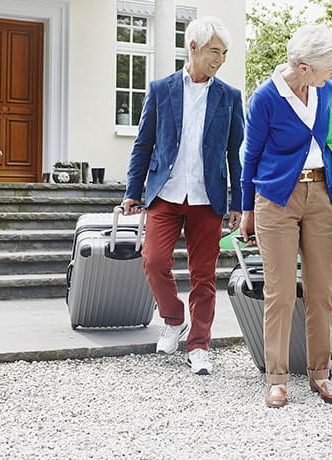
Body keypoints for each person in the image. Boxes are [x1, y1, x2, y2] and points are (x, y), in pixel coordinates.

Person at [121, 16, 244, 376]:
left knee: (203, 275)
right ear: (193, 47)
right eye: (214, 51)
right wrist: (133, 191)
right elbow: (143, 145)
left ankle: (199, 345)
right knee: (154, 261)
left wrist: (238, 202)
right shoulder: (161, 89)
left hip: (208, 198)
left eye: (224, 53)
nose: (220, 59)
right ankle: (174, 319)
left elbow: (235, 153)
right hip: (166, 194)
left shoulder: (230, 97)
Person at [240, 24, 332, 407]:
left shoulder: (324, 90)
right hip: (276, 199)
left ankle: (320, 373)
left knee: (322, 289)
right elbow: (249, 157)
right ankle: (277, 379)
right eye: (329, 66)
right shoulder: (265, 98)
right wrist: (246, 209)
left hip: (320, 194)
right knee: (280, 292)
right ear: (304, 67)